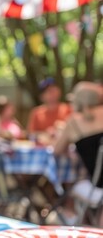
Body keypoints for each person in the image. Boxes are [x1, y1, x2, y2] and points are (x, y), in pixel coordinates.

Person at [53, 82, 103, 225]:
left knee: (73, 184)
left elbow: (57, 150)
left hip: (96, 187)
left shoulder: (73, 122)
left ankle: (74, 216)